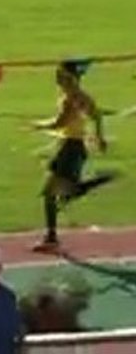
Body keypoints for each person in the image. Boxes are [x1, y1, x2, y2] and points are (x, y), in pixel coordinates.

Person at [32, 64, 116, 253]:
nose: (58, 80)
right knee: (57, 193)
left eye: (61, 76)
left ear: (70, 77)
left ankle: (52, 239)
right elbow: (97, 115)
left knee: (52, 193)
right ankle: (52, 236)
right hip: (72, 147)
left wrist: (38, 126)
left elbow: (59, 122)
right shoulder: (83, 97)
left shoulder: (70, 99)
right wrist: (100, 137)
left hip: (70, 148)